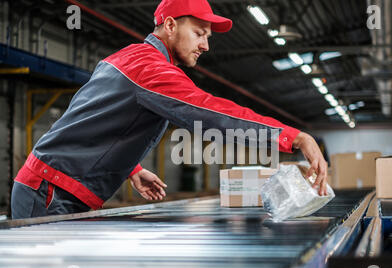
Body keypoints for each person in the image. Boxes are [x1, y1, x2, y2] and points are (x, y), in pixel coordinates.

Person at [11, 0, 328, 219]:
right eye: (200, 33)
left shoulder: (130, 58)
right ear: (171, 24)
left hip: (54, 188)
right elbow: (210, 114)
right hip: (50, 191)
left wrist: (131, 169)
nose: (205, 45)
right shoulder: (151, 70)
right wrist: (294, 137)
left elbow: (92, 122)